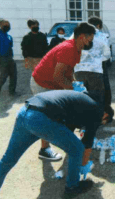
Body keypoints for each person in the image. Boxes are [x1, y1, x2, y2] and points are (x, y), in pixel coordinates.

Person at [0, 90, 103, 197]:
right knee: (77, 149)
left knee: (8, 159)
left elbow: (67, 129)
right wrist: (83, 164)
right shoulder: (96, 109)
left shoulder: (76, 99)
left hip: (24, 111)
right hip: (40, 118)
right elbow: (87, 143)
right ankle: (72, 187)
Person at [30, 22, 96, 161]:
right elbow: (58, 76)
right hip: (42, 83)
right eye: (91, 38)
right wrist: (73, 90)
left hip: (50, 82)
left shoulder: (77, 49)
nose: (92, 41)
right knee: (48, 117)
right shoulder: (68, 49)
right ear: (83, 37)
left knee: (59, 113)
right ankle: (44, 149)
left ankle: (62, 140)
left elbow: (68, 70)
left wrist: (73, 82)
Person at [74, 16, 113, 124]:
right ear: (98, 25)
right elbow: (107, 54)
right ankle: (97, 119)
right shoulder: (101, 36)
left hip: (78, 71)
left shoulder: (76, 34)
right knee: (97, 96)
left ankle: (81, 120)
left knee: (80, 95)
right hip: (95, 71)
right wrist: (97, 60)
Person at [0, 19, 17, 96]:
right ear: (1, 25)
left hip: (10, 57)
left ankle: (12, 91)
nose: (7, 26)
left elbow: (10, 46)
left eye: (8, 25)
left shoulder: (9, 36)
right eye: (5, 25)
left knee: (14, 75)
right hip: (2, 58)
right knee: (3, 76)